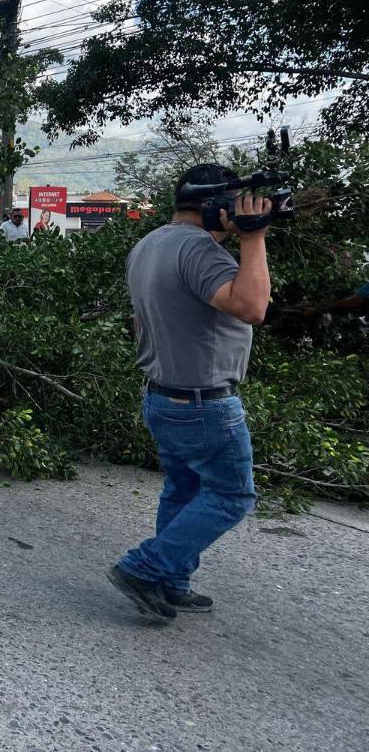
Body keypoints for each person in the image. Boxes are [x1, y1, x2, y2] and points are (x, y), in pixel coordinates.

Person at [108, 164, 272, 622]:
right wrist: (254, 237)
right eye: (235, 203)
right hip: (203, 404)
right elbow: (252, 307)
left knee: (185, 489)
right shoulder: (199, 250)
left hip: (163, 396)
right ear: (214, 205)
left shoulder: (149, 243)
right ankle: (143, 568)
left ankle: (172, 582)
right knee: (231, 495)